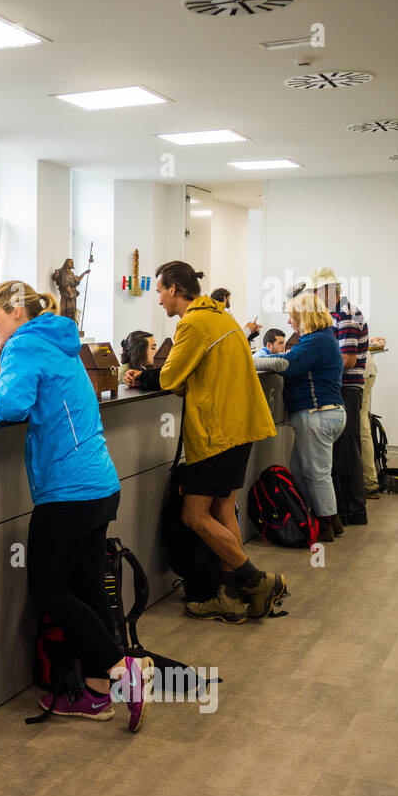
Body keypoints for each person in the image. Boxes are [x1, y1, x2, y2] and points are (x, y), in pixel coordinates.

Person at [0, 280, 153, 732]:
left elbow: (12, 406)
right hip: (99, 483)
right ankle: (99, 693)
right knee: (87, 588)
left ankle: (122, 668)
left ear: (16, 313)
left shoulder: (23, 346)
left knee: (47, 589)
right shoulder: (61, 341)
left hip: (67, 491)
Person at [154, 261, 285, 622]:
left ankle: (256, 581)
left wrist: (162, 374)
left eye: (161, 291)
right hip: (241, 429)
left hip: (216, 433)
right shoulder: (224, 318)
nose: (159, 300)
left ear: (175, 290)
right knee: (223, 509)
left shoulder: (193, 323)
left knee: (194, 515)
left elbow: (169, 378)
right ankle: (229, 595)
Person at [254, 292, 347, 541]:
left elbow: (286, 364)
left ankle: (325, 525)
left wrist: (248, 361)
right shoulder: (323, 338)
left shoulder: (316, 341)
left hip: (317, 414)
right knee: (300, 469)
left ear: (304, 317)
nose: (289, 322)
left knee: (316, 473)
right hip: (326, 414)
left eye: (292, 317)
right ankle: (328, 519)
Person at [309, 267, 370, 526]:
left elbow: (347, 359)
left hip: (347, 388)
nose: (313, 296)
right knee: (343, 448)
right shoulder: (334, 314)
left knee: (346, 449)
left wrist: (315, 360)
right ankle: (346, 507)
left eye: (315, 291)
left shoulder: (345, 314)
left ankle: (353, 509)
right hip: (342, 387)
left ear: (328, 291)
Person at [360, 335, 387, 499]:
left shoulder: (337, 317)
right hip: (366, 370)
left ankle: (369, 482)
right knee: (362, 426)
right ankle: (369, 480)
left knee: (360, 427)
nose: (289, 322)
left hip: (359, 374)